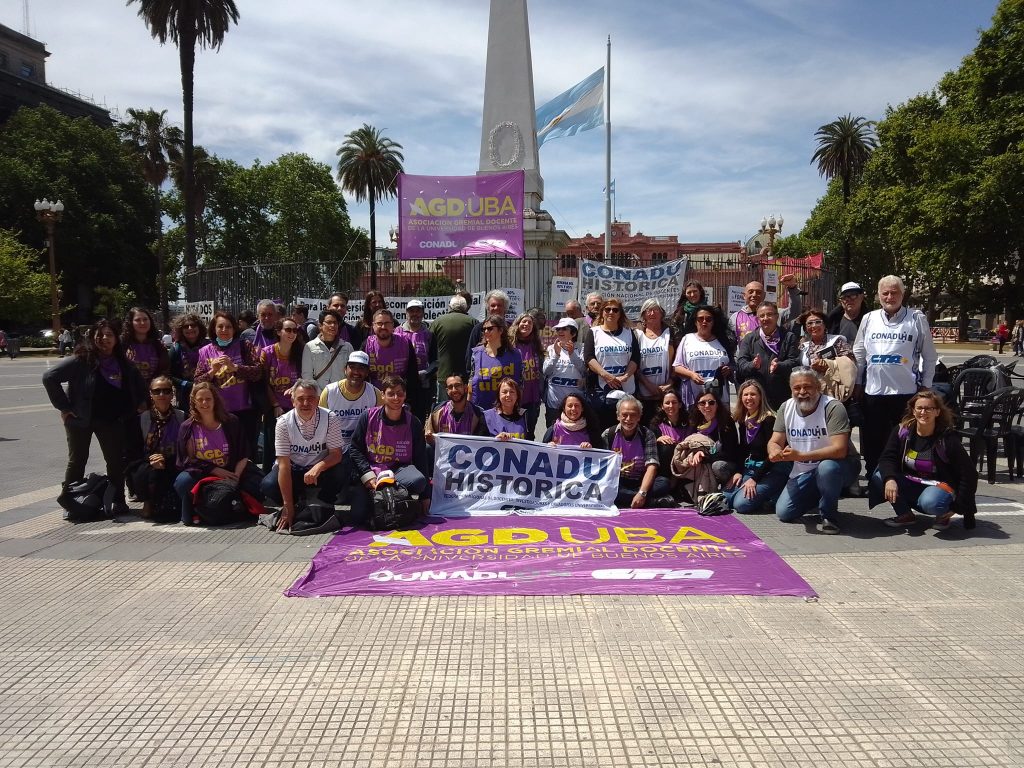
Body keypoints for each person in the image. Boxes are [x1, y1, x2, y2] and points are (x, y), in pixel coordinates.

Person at [42, 318, 147, 517]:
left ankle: (118, 500)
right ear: (92, 338)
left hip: (111, 420)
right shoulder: (81, 361)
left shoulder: (123, 364)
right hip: (80, 420)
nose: (104, 339)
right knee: (77, 461)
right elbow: (49, 377)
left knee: (115, 461)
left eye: (109, 335)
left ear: (116, 339)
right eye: (100, 335)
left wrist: (137, 406)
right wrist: (64, 407)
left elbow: (138, 386)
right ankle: (70, 502)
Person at [852, 275, 937, 478]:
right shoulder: (869, 318)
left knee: (905, 439)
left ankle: (904, 478)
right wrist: (857, 382)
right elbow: (860, 353)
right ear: (878, 295)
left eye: (894, 292)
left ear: (902, 294)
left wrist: (926, 386)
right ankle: (876, 478)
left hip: (906, 393)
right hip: (874, 392)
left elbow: (930, 356)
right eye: (885, 293)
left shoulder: (916, 318)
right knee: (874, 440)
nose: (890, 297)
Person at [769, 367, 861, 534]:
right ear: (791, 390)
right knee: (784, 513)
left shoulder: (833, 407)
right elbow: (775, 441)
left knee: (827, 468)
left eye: (807, 387)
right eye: (797, 388)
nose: (802, 392)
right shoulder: (786, 407)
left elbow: (839, 450)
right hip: (804, 470)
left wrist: (800, 456)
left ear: (818, 387)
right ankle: (822, 492)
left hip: (841, 465)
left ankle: (829, 515)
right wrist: (774, 450)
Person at [869, 390, 977, 531]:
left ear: (937, 412)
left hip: (939, 487)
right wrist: (890, 479)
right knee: (879, 476)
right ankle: (905, 514)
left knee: (931, 502)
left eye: (929, 408)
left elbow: (969, 474)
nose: (923, 412)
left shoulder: (947, 439)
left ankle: (943, 513)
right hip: (911, 481)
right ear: (913, 411)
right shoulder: (902, 431)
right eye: (919, 408)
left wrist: (959, 506)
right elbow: (887, 458)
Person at [259, 379, 347, 531]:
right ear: (293, 401)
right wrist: (287, 507)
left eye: (311, 398)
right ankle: (295, 502)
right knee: (268, 485)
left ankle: (324, 500)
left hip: (319, 470)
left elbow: (336, 454)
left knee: (342, 470)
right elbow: (284, 466)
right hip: (293, 469)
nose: (306, 403)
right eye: (300, 399)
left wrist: (319, 466)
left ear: (318, 400)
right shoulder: (283, 423)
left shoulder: (330, 418)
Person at [173, 382, 261, 525]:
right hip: (203, 472)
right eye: (200, 399)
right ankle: (196, 510)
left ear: (215, 400)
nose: (204, 403)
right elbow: (188, 460)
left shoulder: (231, 421)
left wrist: (236, 476)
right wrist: (214, 470)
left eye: (208, 399)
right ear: (194, 402)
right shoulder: (187, 427)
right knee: (183, 482)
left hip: (231, 470)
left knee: (258, 485)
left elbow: (243, 453)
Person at [348, 374, 430, 524]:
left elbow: (420, 457)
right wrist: (367, 475)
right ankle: (386, 496)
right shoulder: (367, 417)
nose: (396, 398)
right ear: (383, 395)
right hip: (372, 470)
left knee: (419, 480)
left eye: (400, 393)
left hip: (399, 470)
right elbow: (354, 449)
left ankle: (393, 495)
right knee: (357, 516)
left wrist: (425, 496)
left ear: (405, 395)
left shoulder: (414, 422)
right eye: (391, 394)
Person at [194, 311, 263, 460]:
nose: (224, 330)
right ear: (214, 329)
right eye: (220, 327)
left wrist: (236, 368)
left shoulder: (245, 346)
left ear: (234, 329)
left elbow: (258, 372)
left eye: (228, 327)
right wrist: (213, 371)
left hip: (245, 410)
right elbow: (198, 382)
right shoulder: (205, 351)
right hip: (217, 412)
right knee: (225, 452)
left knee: (245, 451)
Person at [725, 380, 790, 514]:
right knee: (726, 499)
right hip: (751, 468)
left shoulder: (769, 420)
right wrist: (737, 471)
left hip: (772, 469)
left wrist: (754, 479)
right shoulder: (744, 420)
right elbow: (742, 450)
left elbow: (773, 455)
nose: (749, 398)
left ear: (760, 397)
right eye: (745, 394)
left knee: (741, 505)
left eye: (753, 394)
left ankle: (776, 494)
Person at [126, 374, 185, 518]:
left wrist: (167, 459)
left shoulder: (182, 417)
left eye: (166, 391)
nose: (161, 394)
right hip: (148, 462)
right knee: (142, 471)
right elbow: (133, 450)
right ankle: (148, 502)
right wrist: (151, 459)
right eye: (156, 391)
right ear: (150, 394)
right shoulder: (141, 419)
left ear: (172, 394)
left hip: (174, 461)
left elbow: (187, 447)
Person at [602, 395, 671, 509]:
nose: (628, 419)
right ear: (618, 416)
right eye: (624, 415)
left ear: (639, 416)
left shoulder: (647, 434)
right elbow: (603, 467)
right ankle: (652, 501)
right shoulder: (608, 434)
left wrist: (642, 492)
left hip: (640, 481)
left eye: (633, 415)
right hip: (618, 482)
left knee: (663, 483)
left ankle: (631, 499)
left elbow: (652, 466)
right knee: (606, 487)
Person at [672, 390, 740, 501]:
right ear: (698, 406)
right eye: (702, 403)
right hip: (702, 461)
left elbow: (729, 452)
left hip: (724, 462)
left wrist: (704, 454)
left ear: (717, 405)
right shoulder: (695, 423)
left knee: (717, 467)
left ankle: (726, 487)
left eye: (711, 402)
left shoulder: (726, 422)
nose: (707, 406)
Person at [585, 298, 641, 430]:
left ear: (620, 314)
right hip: (602, 391)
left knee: (626, 428)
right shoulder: (593, 332)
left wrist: (625, 376)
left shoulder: (629, 333)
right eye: (607, 309)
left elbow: (636, 358)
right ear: (602, 312)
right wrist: (606, 375)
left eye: (615, 310)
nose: (611, 312)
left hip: (626, 389)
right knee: (603, 430)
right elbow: (588, 357)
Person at [736, 301, 801, 409]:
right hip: (756, 400)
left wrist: (779, 366)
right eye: (762, 316)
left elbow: (794, 362)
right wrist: (753, 365)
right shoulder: (749, 339)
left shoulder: (789, 337)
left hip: (782, 397)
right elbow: (741, 365)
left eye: (769, 314)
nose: (765, 318)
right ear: (757, 319)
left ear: (777, 317)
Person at [319, 351, 383, 456]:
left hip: (363, 449)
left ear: (367, 372)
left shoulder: (375, 393)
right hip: (335, 450)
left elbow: (380, 426)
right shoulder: (330, 392)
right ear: (345, 369)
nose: (356, 372)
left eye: (361, 368)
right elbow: (320, 425)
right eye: (352, 367)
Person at [362, 309, 422, 416]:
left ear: (393, 325)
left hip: (398, 399)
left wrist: (410, 403)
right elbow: (363, 377)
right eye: (379, 323)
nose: (383, 327)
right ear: (373, 325)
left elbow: (413, 377)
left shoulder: (405, 343)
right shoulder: (366, 345)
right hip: (375, 400)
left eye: (387, 323)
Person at [673, 305, 732, 408]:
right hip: (694, 397)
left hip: (719, 398)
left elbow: (732, 365)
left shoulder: (723, 341)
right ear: (695, 322)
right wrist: (691, 374)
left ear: (713, 322)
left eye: (708, 319)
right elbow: (677, 367)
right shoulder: (687, 339)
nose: (704, 322)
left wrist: (729, 370)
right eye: (700, 319)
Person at [634, 298, 677, 425]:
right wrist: (648, 385)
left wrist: (670, 382)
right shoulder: (636, 335)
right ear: (643, 315)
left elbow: (678, 360)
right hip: (643, 395)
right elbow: (633, 363)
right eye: (648, 311)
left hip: (665, 395)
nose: (652, 313)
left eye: (655, 310)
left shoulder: (671, 333)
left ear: (662, 313)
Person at [429, 294, 477, 404]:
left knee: (443, 408)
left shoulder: (438, 322)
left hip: (443, 374)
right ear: (466, 307)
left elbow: (429, 345)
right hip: (466, 374)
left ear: (449, 306)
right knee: (465, 406)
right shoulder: (473, 322)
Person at [469, 314, 523, 411]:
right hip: (480, 410)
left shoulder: (515, 354)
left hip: (506, 411)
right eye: (484, 329)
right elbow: (471, 383)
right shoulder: (476, 354)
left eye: (490, 328)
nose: (486, 331)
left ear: (501, 330)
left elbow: (520, 385)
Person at [260, 318, 305, 429]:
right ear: (279, 332)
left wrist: (297, 384)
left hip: (295, 406)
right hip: (273, 408)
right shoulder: (266, 353)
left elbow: (304, 376)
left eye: (295, 330)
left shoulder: (301, 352)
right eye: (288, 330)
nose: (292, 333)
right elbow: (263, 382)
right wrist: (275, 405)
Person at [395, 299, 435, 423]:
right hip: (402, 384)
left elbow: (435, 360)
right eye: (411, 311)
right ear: (406, 313)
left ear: (423, 313)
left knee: (419, 419)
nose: (415, 314)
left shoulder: (429, 334)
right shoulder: (397, 332)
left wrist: (425, 373)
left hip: (422, 385)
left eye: (418, 311)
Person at [542, 317, 587, 427]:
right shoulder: (551, 348)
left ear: (573, 333)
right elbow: (546, 371)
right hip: (554, 403)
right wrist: (556, 355)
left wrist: (572, 354)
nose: (560, 332)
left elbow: (584, 371)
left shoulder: (582, 348)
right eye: (558, 329)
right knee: (553, 437)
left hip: (575, 405)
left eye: (564, 329)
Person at [730, 274, 802, 341]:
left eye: (758, 292)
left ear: (764, 295)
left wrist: (792, 288)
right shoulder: (735, 318)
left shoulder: (775, 313)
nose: (754, 295)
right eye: (751, 292)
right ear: (744, 295)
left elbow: (795, 311)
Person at [424, 374, 487, 444]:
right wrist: (429, 438)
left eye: (458, 385)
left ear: (466, 388)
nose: (454, 390)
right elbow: (429, 439)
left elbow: (481, 443)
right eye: (450, 387)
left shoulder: (478, 413)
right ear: (447, 391)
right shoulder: (437, 411)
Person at [301, 308, 353, 392]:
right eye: (329, 322)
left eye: (335, 323)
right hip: (318, 397)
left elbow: (351, 373)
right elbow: (307, 375)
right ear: (320, 325)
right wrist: (320, 395)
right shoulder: (309, 347)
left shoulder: (347, 347)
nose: (332, 325)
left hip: (341, 395)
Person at [510, 312, 544, 438]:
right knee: (515, 432)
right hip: (514, 397)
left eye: (530, 323)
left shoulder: (536, 345)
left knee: (530, 433)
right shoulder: (510, 345)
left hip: (533, 397)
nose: (527, 324)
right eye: (524, 321)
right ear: (517, 324)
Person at [122, 307, 170, 385]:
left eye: (145, 319)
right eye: (137, 320)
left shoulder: (159, 347)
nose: (142, 323)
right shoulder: (122, 345)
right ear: (130, 322)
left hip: (152, 391)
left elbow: (164, 371)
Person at [169, 313, 208, 407]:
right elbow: (168, 374)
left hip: (207, 392)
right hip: (185, 395)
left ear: (199, 327)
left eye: (193, 325)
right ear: (181, 330)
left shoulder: (209, 346)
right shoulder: (175, 348)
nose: (190, 328)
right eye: (186, 326)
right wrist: (188, 385)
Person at [464, 289, 511, 367]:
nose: (496, 308)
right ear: (488, 308)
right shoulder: (479, 329)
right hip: (485, 375)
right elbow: (470, 355)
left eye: (499, 305)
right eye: (493, 305)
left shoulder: (512, 327)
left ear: (505, 308)